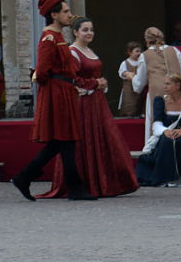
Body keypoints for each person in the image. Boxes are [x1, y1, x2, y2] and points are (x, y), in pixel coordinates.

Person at [38, 18, 139, 198]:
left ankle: (107, 182)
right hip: (83, 104)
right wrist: (94, 83)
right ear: (75, 32)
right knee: (85, 142)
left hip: (97, 103)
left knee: (104, 140)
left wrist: (101, 84)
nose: (89, 33)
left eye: (91, 29)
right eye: (85, 30)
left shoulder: (89, 51)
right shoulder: (72, 52)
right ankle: (85, 184)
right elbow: (72, 79)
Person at [10, 0, 96, 201]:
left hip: (64, 91)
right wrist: (58, 88)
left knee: (62, 143)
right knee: (65, 141)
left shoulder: (58, 37)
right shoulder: (49, 38)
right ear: (54, 14)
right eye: (65, 11)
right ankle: (74, 188)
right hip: (57, 93)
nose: (69, 15)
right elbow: (41, 72)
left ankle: (25, 177)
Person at [135, 73, 181, 187]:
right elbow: (157, 124)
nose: (164, 86)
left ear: (177, 85)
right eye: (164, 84)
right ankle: (165, 177)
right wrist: (165, 131)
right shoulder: (160, 101)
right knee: (166, 141)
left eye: (168, 84)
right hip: (166, 133)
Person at [132, 27, 181, 142]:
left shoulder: (145, 55)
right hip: (178, 93)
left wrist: (131, 77)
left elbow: (139, 84)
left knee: (157, 122)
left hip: (157, 94)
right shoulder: (174, 51)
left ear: (147, 40)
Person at [117, 41, 142, 117]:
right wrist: (127, 74)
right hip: (129, 90)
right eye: (136, 51)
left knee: (140, 105)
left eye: (140, 51)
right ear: (129, 52)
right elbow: (122, 72)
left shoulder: (141, 62)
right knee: (129, 106)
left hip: (139, 90)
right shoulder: (125, 63)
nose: (139, 53)